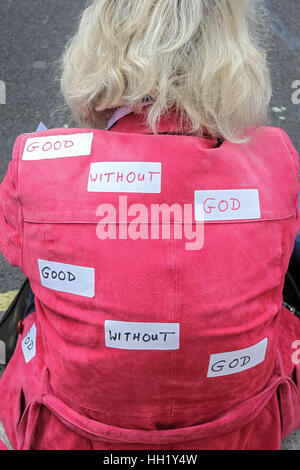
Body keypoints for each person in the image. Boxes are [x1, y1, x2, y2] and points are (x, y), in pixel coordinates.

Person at [0, 0, 299, 451]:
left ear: (98, 49)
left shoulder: (37, 162)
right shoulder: (276, 157)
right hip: (245, 428)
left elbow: (19, 249)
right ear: (234, 53)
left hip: (67, 430)